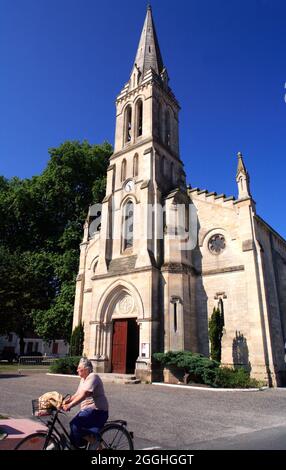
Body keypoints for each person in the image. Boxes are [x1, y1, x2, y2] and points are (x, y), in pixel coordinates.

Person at [62, 357, 109, 449]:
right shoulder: (83, 379)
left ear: (86, 369)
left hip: (97, 411)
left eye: (79, 368)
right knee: (73, 432)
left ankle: (95, 443)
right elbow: (77, 395)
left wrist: (70, 405)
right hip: (87, 411)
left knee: (75, 425)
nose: (77, 370)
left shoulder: (93, 376)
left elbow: (85, 394)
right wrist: (65, 401)